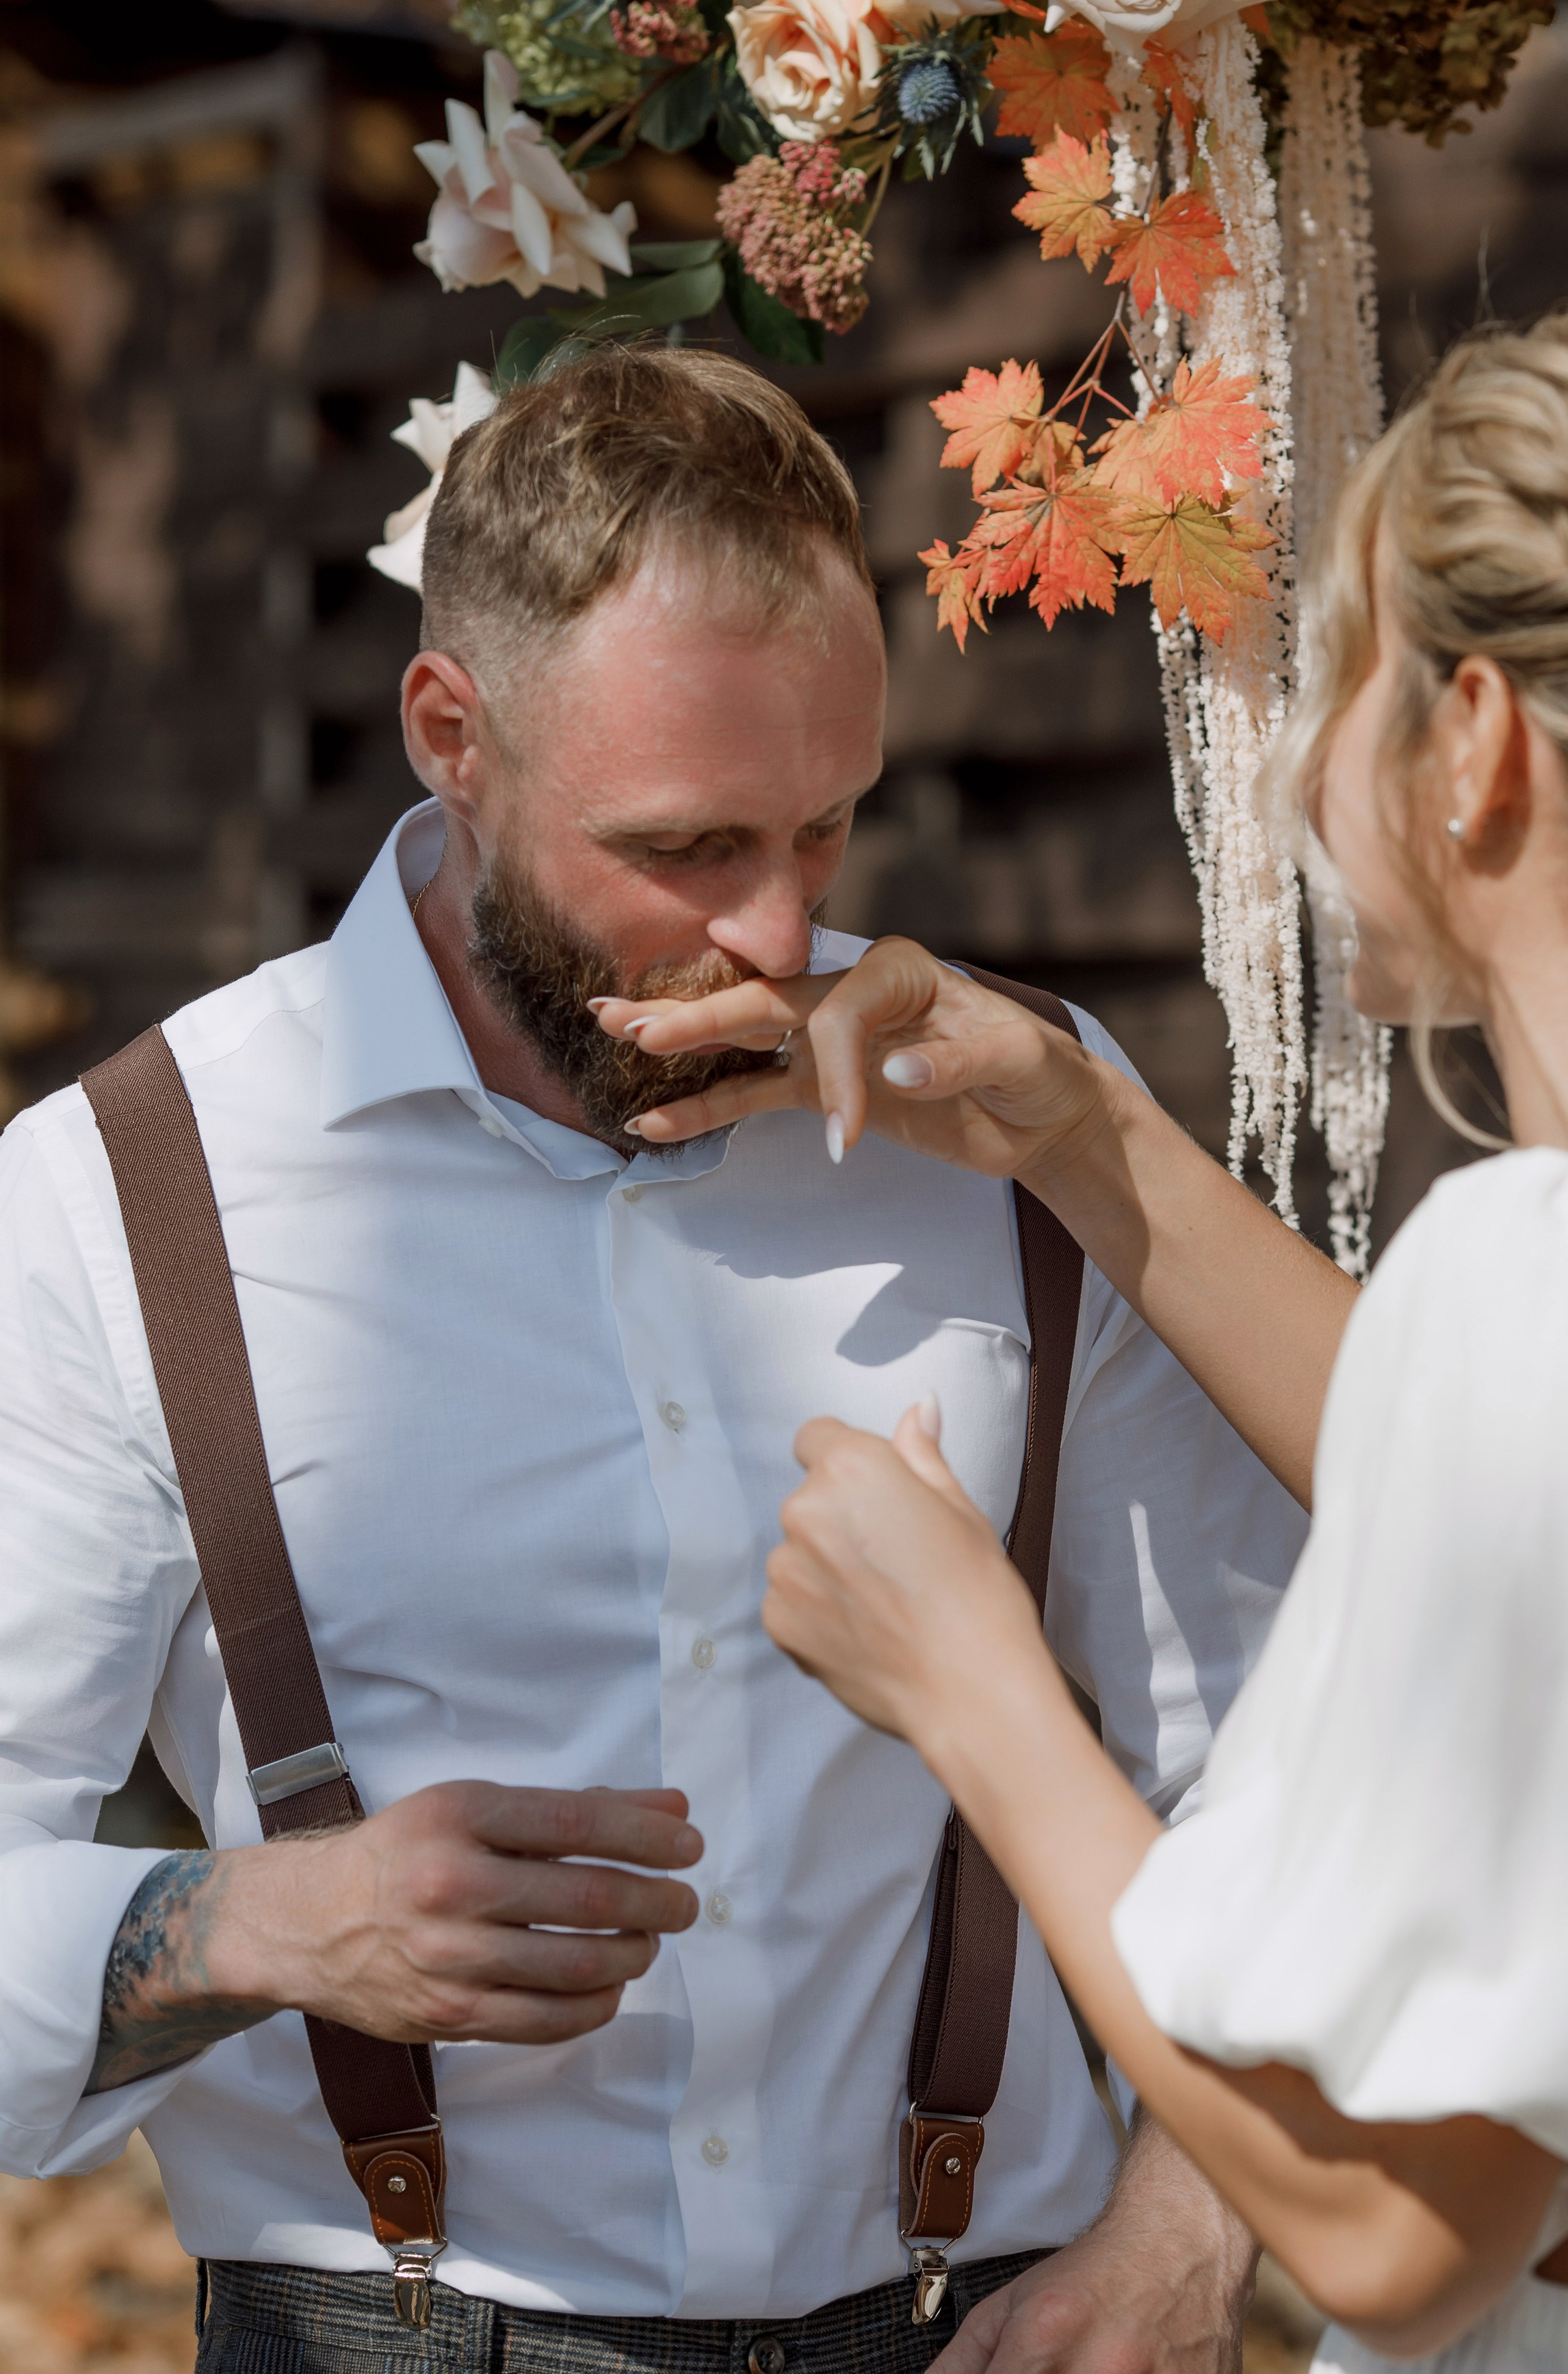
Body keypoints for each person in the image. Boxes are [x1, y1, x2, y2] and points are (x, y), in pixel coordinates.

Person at [0, 345, 1309, 2374]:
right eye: (692, 849)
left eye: (830, 827)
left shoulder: (1030, 1115)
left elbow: (1282, 1745)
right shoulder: (124, 1195)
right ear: (454, 733)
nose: (786, 936)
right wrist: (270, 1925)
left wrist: (1184, 2227)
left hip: (993, 2319)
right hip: (391, 2327)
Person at [594, 289, 1568, 2373]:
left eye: (1339, 680)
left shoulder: (1557, 1265)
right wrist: (1080, 1128)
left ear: (1478, 744)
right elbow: (1541, 1504)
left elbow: (1390, 2223)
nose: (1304, 761)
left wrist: (972, 1687)